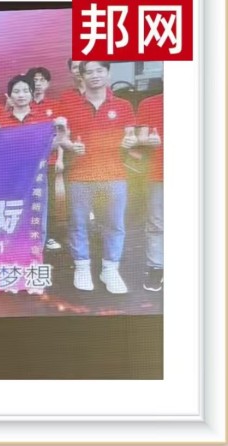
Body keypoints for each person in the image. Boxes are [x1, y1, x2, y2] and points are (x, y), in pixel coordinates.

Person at [58, 61, 137, 294]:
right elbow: (61, 138)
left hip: (114, 174)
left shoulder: (123, 105)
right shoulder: (70, 106)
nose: (94, 75)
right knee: (78, 223)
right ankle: (82, 267)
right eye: (89, 72)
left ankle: (110, 269)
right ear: (81, 77)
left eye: (99, 70)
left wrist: (130, 142)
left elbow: (131, 136)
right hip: (80, 175)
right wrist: (70, 146)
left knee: (114, 224)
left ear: (108, 73)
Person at [26, 66, 64, 251]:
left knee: (47, 201)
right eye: (35, 80)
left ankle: (48, 236)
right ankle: (27, 236)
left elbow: (60, 135)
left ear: (48, 83)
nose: (38, 84)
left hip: (48, 161)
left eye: (42, 80)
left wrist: (60, 158)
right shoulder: (23, 104)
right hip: (28, 163)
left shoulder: (55, 105)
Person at [136, 93, 164, 291]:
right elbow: (140, 137)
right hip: (158, 173)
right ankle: (156, 267)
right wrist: (148, 141)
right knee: (156, 222)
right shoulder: (149, 103)